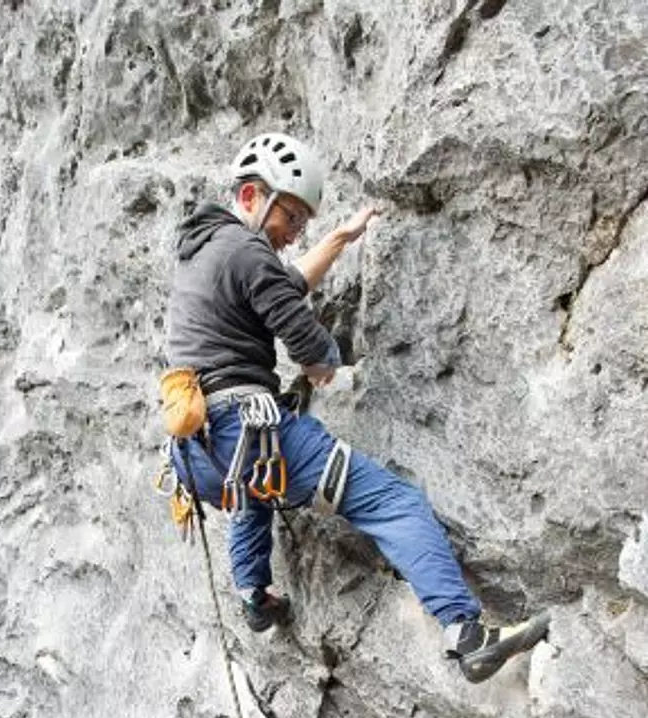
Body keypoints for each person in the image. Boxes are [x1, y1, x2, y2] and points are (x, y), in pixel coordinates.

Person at [165, 131, 549, 683]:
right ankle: (467, 634)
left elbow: (281, 284)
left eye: (302, 224)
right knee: (395, 502)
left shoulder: (207, 252)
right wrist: (325, 362)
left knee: (254, 489)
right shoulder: (245, 250)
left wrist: (339, 240)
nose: (295, 233)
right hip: (244, 431)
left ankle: (254, 594)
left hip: (197, 455)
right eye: (291, 216)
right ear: (251, 196)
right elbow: (303, 336)